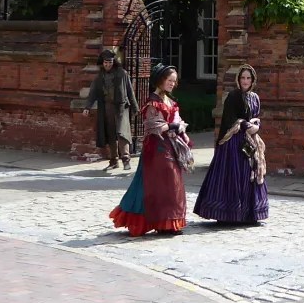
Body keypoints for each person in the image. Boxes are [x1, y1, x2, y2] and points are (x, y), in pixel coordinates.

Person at [110, 64, 194, 236]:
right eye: (169, 80)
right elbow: (151, 125)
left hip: (171, 147)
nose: (172, 84)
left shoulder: (170, 101)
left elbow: (176, 120)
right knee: (158, 185)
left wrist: (180, 127)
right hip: (156, 149)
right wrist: (172, 125)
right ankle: (157, 221)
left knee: (172, 185)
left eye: (174, 81)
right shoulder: (153, 101)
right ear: (161, 80)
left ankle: (169, 223)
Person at [194, 64, 269, 225]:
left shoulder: (254, 97)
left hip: (250, 141)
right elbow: (230, 119)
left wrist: (257, 126)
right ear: (238, 79)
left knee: (250, 175)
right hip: (234, 143)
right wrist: (247, 126)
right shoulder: (233, 96)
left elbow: (256, 117)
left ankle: (249, 213)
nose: (245, 81)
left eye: (248, 78)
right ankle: (229, 214)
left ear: (253, 80)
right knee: (234, 176)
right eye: (243, 78)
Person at [82, 49, 139, 170]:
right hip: (107, 108)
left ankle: (126, 159)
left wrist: (135, 107)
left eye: (110, 62)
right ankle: (114, 161)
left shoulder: (122, 73)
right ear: (102, 63)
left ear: (114, 62)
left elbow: (129, 91)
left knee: (122, 133)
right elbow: (93, 93)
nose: (107, 65)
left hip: (121, 108)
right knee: (111, 135)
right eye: (105, 63)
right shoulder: (99, 77)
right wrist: (87, 107)